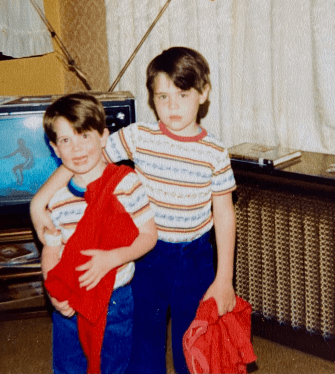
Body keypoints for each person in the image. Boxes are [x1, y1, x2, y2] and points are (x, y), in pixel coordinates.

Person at [31, 47, 237, 374]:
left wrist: (224, 277)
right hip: (145, 255)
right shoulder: (139, 136)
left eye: (183, 95)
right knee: (142, 345)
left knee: (194, 343)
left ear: (203, 93)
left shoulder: (215, 152)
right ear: (152, 98)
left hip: (194, 258)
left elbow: (224, 214)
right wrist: (39, 201)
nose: (172, 106)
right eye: (162, 97)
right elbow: (85, 158)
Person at [39, 93, 157, 374]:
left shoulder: (126, 184)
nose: (77, 148)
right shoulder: (56, 197)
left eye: (84, 136)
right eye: (65, 140)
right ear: (55, 148)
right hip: (70, 299)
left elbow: (148, 235)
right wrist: (54, 293)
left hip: (114, 299)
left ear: (103, 137)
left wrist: (113, 258)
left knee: (111, 366)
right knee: (69, 367)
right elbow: (51, 249)